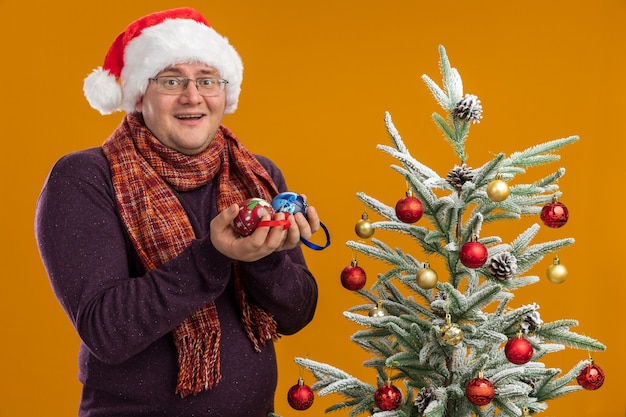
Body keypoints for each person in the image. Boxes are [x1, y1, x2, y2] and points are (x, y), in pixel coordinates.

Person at [35, 7, 319, 417]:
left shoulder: (257, 176)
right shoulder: (86, 177)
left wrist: (264, 260)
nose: (193, 96)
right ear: (139, 94)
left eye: (208, 80)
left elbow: (296, 314)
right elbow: (107, 331)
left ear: (225, 92)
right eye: (171, 81)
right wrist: (214, 255)